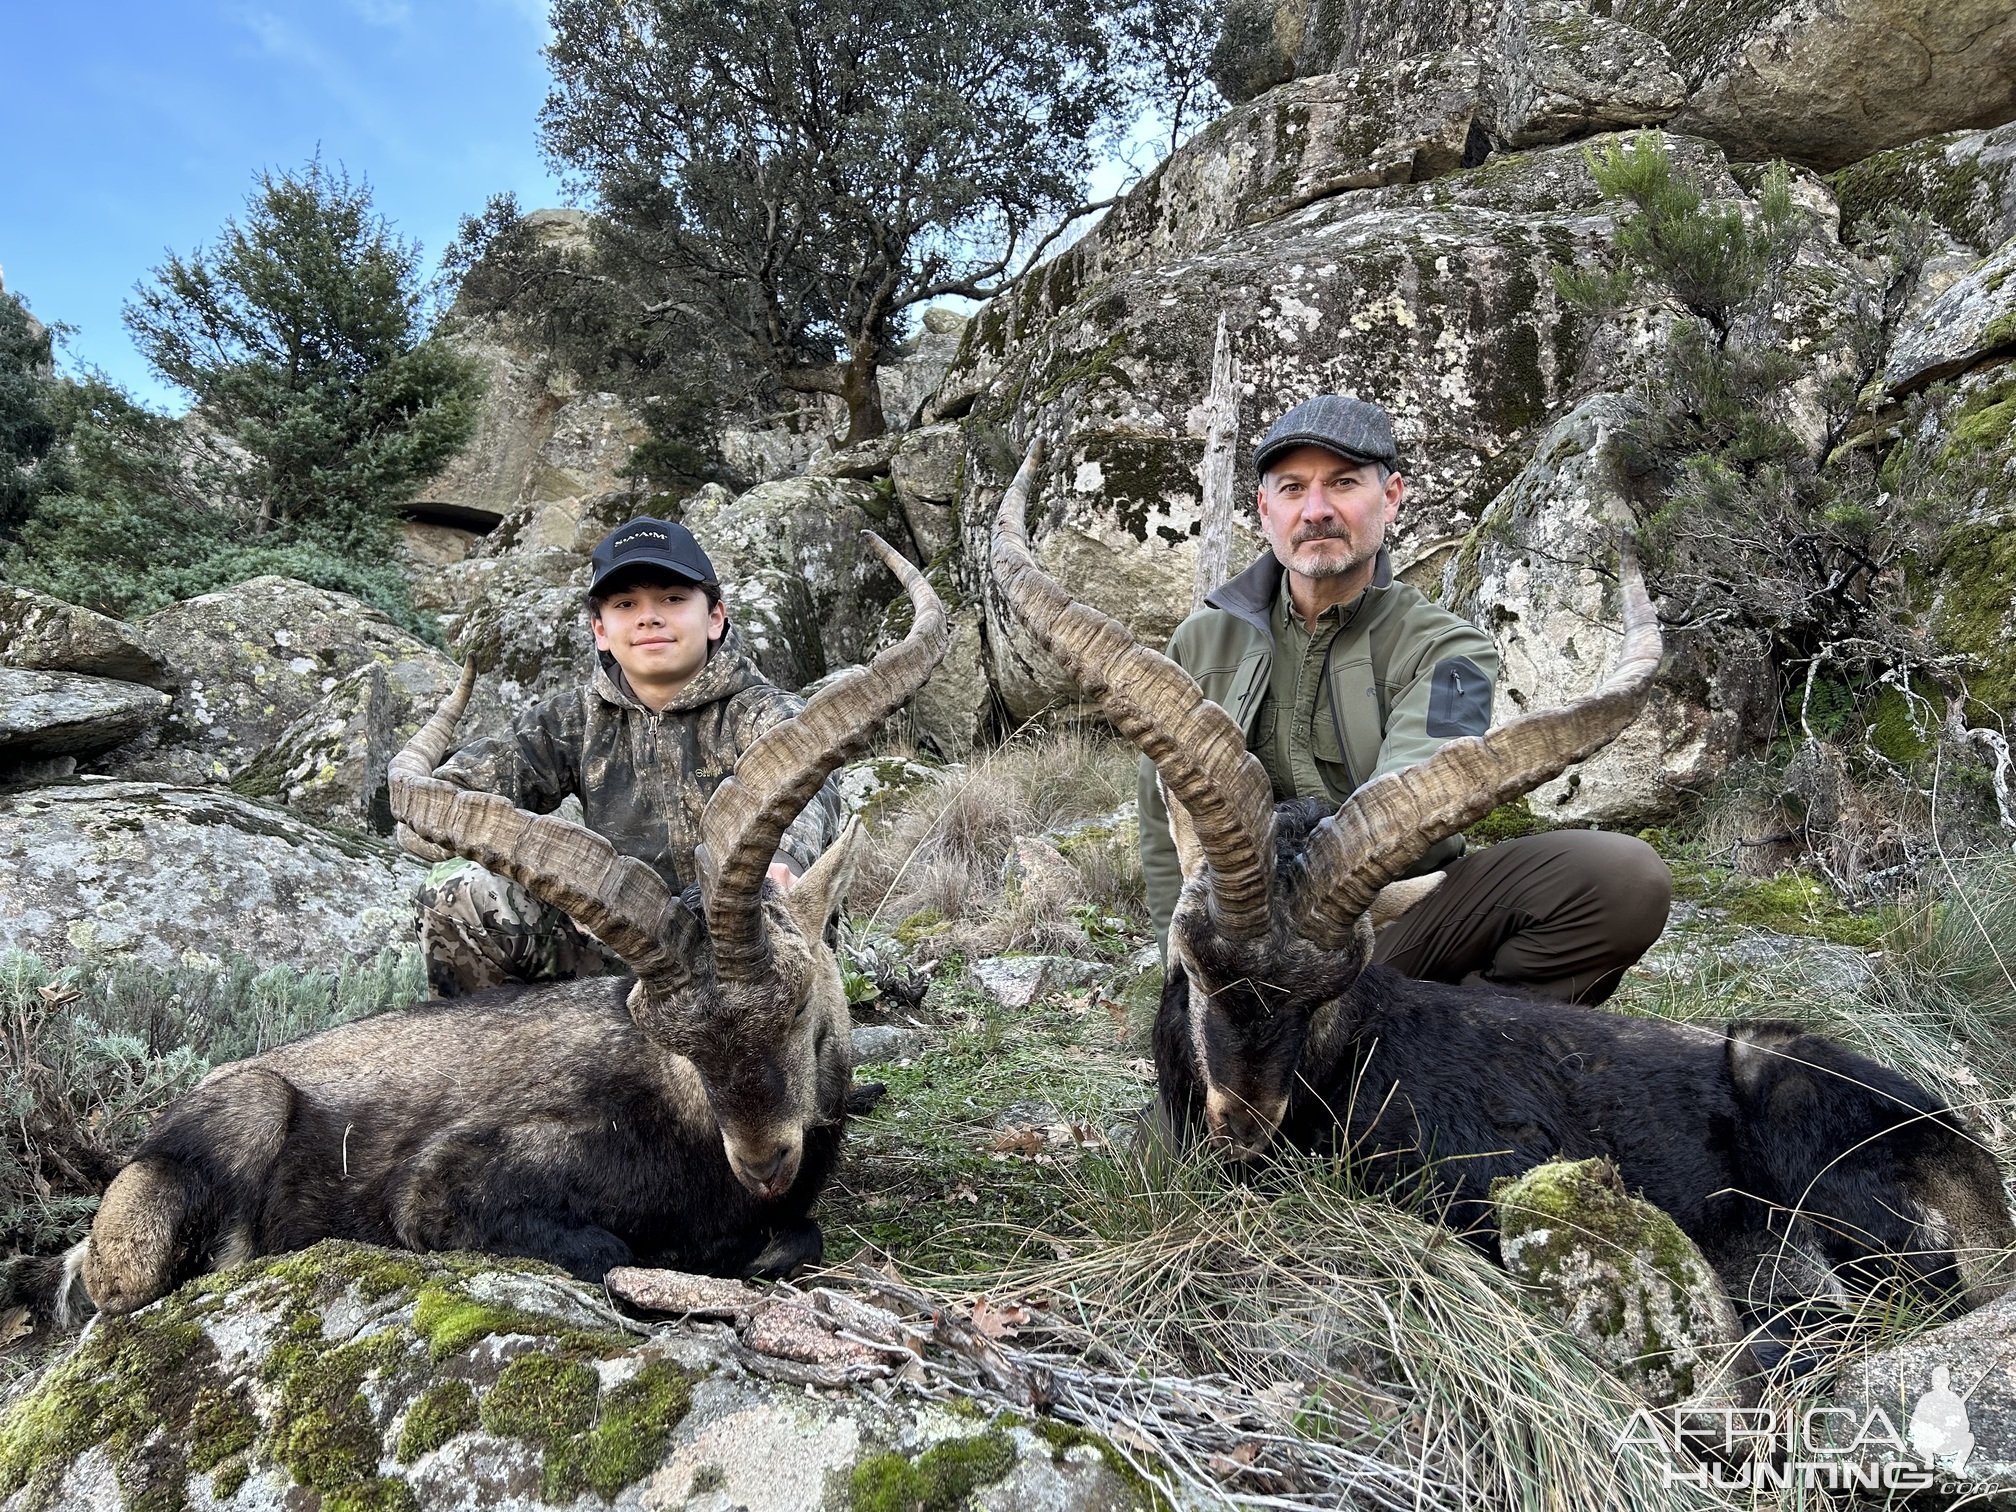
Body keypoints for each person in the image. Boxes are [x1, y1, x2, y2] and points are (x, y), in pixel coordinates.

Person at [1139, 394, 1671, 1005]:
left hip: (1387, 920)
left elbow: (1418, 793)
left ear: (1391, 497)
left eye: (1342, 484)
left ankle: (1468, 1054)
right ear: (1264, 508)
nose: (1316, 511)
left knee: (1619, 879)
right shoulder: (1200, 642)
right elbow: (1162, 823)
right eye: (1292, 489)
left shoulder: (1452, 651)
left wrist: (1322, 906)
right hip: (1239, 941)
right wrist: (1186, 980)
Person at [413, 516, 841, 997]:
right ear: (601, 629)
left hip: (748, 949)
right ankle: (492, 1062)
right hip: (625, 951)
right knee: (455, 891)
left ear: (715, 616)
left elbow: (810, 780)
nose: (649, 617)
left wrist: (780, 861)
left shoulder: (763, 711)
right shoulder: (570, 720)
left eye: (673, 599)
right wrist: (570, 882)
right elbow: (449, 796)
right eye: (625, 604)